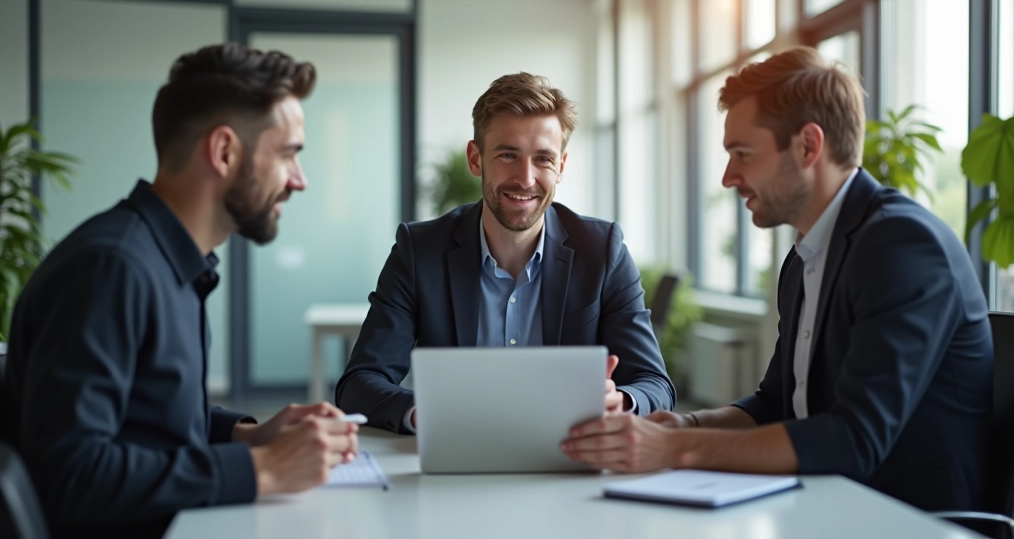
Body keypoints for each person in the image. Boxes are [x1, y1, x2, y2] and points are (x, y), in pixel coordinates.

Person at [560, 46, 992, 513]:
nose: (728, 177)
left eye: (742, 154)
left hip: (906, 520)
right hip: (827, 508)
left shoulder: (902, 247)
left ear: (808, 145)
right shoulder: (806, 257)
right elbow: (774, 404)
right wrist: (682, 428)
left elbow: (854, 440)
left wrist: (672, 452)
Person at [0, 43, 359, 538]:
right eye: (288, 154)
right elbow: (69, 476)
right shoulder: (112, 269)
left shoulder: (168, 263)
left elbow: (145, 414)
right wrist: (263, 469)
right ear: (225, 151)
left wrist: (249, 436)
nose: (300, 180)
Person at [336, 72, 675, 433]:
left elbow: (655, 385)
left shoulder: (602, 251)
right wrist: (431, 412)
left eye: (543, 158)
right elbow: (359, 384)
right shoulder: (421, 252)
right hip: (457, 459)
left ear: (560, 166)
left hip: (569, 462)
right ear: (476, 158)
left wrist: (619, 401)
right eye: (508, 155)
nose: (525, 178)